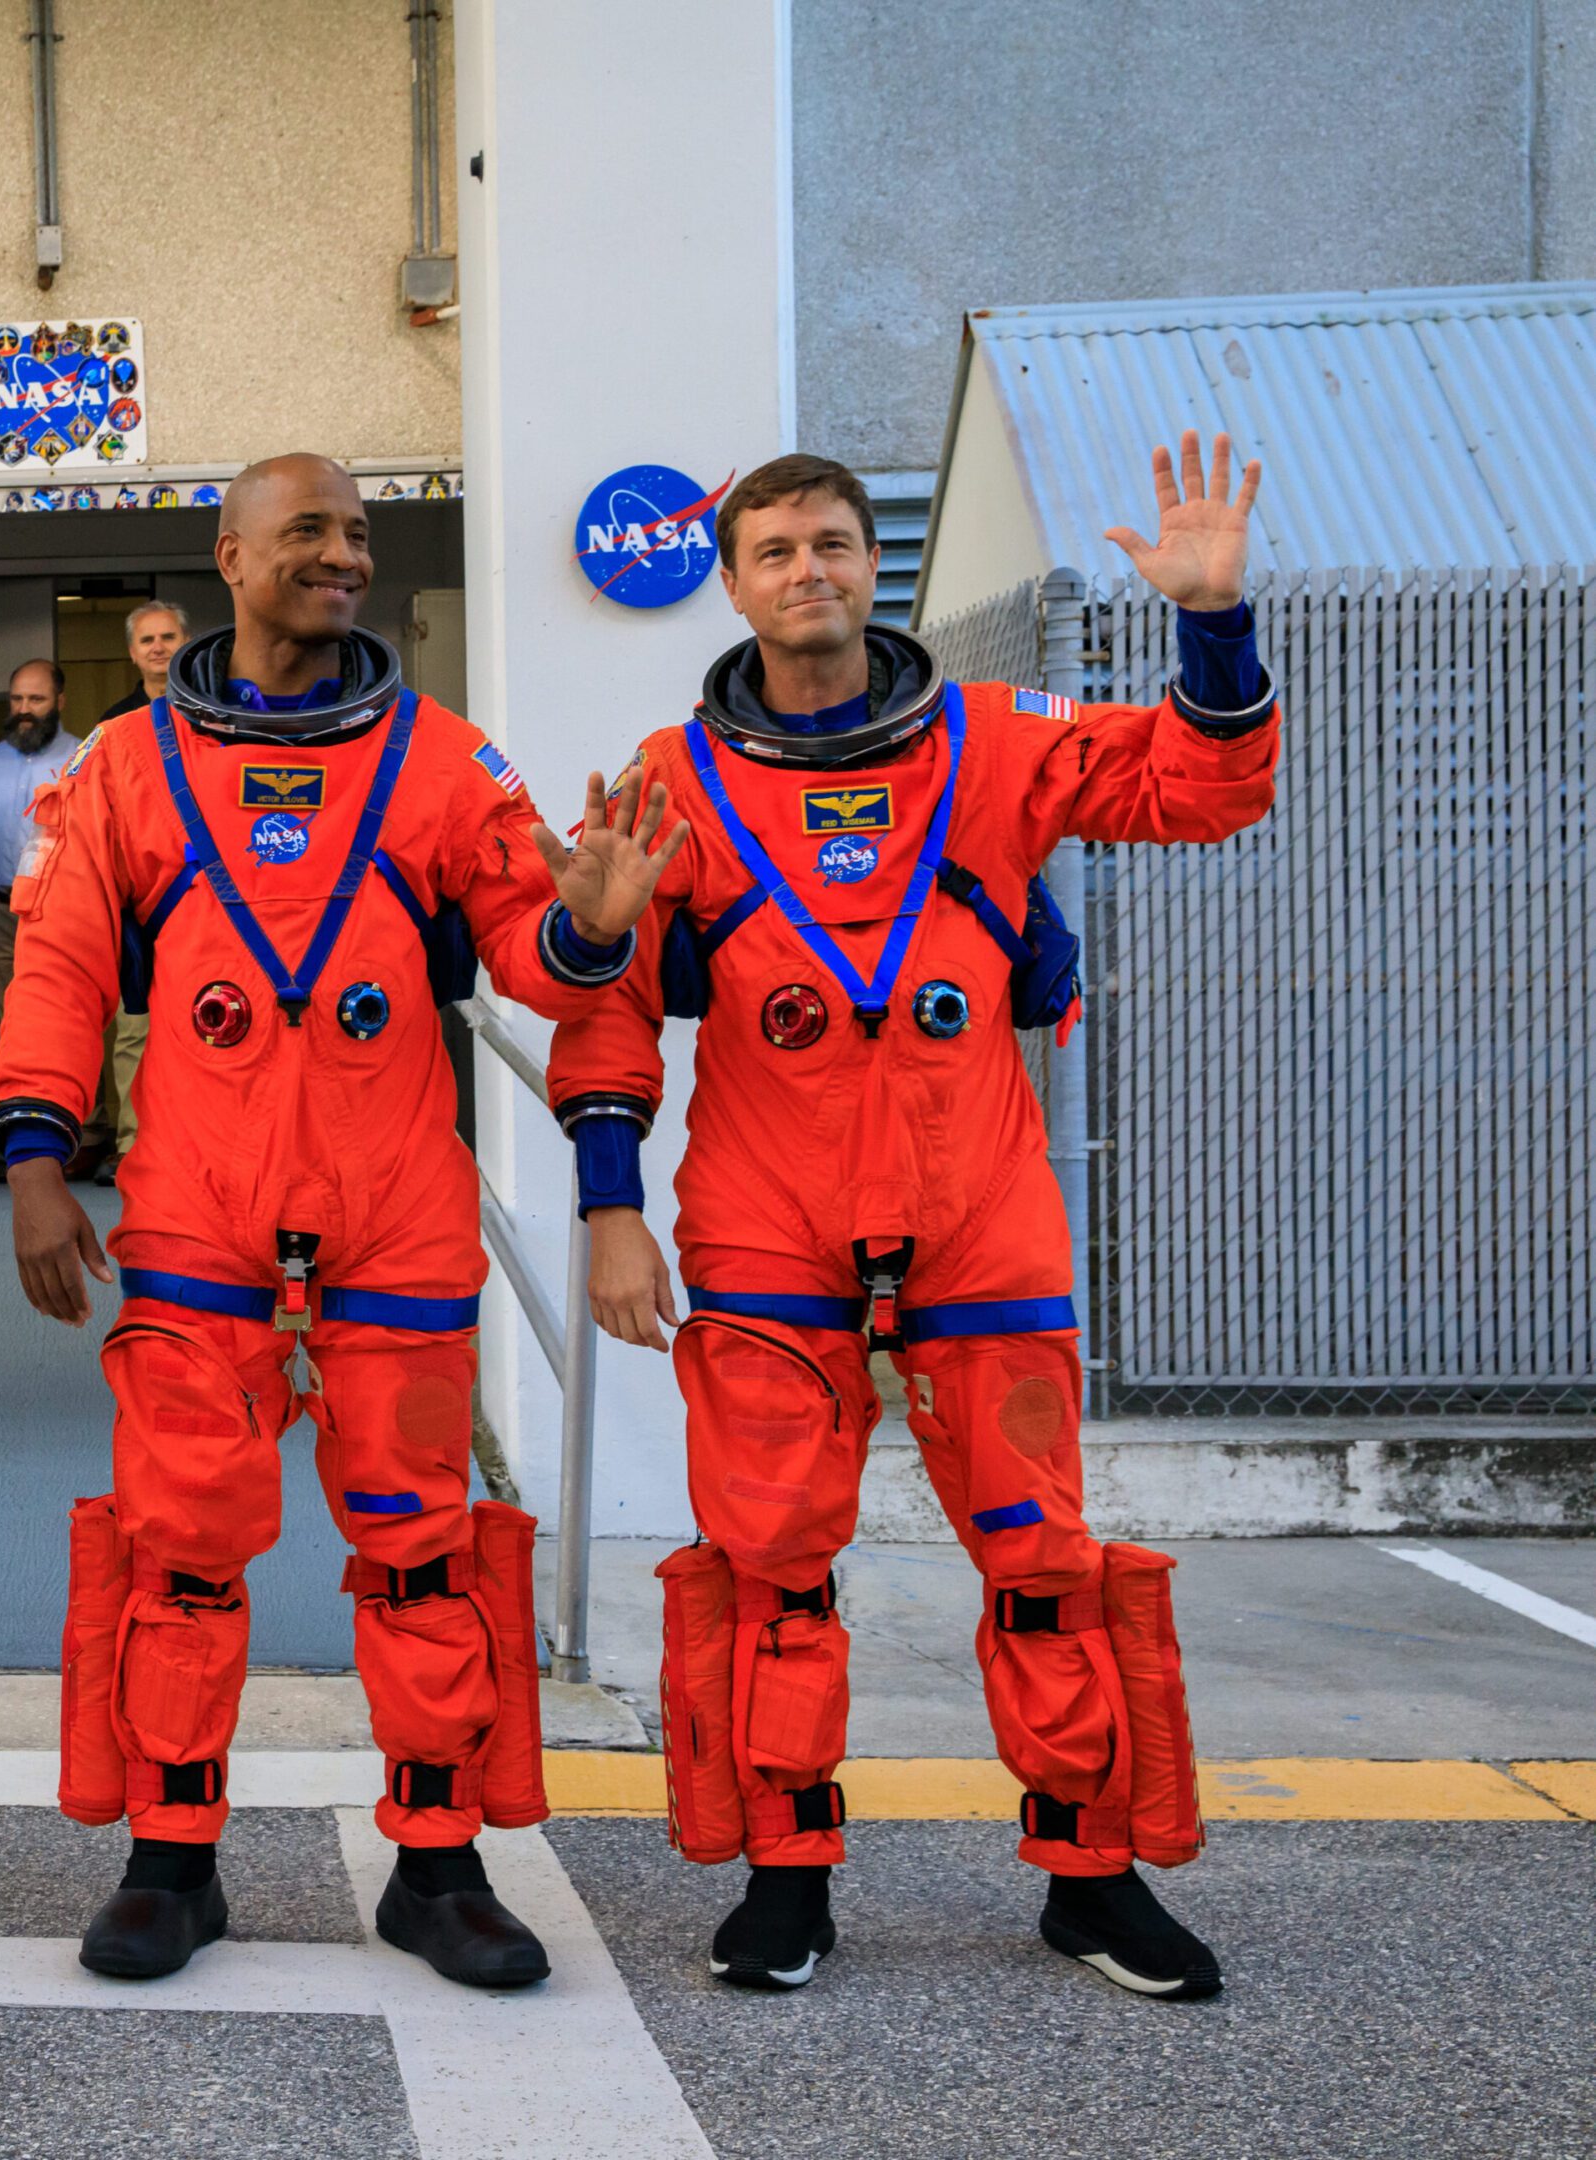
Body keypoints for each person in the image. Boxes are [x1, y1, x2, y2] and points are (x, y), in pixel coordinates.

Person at [546, 438, 1275, 2000]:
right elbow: (601, 1009)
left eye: (829, 542)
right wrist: (611, 1209)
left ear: (863, 562)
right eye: (774, 552)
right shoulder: (663, 785)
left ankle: (1090, 1876)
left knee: (1039, 1558)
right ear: (730, 586)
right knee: (770, 1563)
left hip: (977, 1218)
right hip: (762, 1223)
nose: (805, 570)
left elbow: (1202, 788)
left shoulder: (1000, 742)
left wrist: (1212, 625)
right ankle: (785, 1875)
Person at [0, 454, 684, 1989]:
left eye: (359, 535)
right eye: (307, 531)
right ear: (226, 557)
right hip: (196, 1215)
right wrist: (35, 1160)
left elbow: (533, 964)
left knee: (422, 1549)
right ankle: (171, 1864)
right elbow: (53, 970)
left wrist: (589, 921)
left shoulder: (444, 761)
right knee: (178, 1552)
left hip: (395, 1221)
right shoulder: (119, 766)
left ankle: (437, 1868)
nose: (342, 556)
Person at [76, 599, 187, 1179]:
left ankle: (193, 1146)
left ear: (186, 641)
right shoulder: (112, 727)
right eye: (148, 639)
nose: (159, 647)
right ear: (132, 652)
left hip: (206, 897)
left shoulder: (216, 714)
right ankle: (133, 1144)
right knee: (134, 1030)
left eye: (169, 636)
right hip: (137, 903)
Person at [0, 658, 85, 1033]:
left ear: (60, 701)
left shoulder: (83, 761)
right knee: (5, 1021)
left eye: (36, 699)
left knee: (63, 1016)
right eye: (17, 699)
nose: (24, 710)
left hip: (61, 914)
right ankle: (12, 1093)